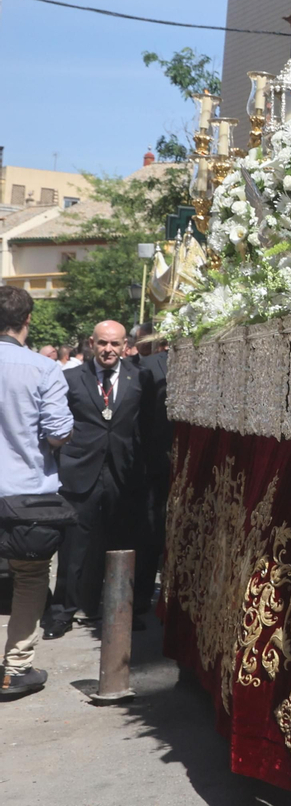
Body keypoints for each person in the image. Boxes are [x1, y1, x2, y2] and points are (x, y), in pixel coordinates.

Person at [45, 319, 154, 636]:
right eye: (103, 343)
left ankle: (124, 611)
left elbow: (145, 425)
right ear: (92, 344)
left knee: (124, 545)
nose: (109, 349)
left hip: (124, 472)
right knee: (73, 548)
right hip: (81, 472)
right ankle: (62, 613)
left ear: (125, 346)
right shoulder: (70, 378)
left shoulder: (140, 378)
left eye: (115, 343)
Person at [0, 286, 74, 698]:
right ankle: (15, 668)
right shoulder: (42, 369)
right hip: (24, 494)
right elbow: (59, 433)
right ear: (27, 320)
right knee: (29, 576)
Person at [129, 321, 170, 616]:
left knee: (152, 533)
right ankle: (143, 597)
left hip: (158, 463)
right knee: (151, 533)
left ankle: (144, 597)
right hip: (157, 464)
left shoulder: (146, 366)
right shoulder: (146, 367)